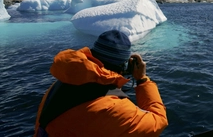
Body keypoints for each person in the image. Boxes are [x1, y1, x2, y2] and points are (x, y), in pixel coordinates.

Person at [34, 30, 168, 137]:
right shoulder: (112, 108)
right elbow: (158, 121)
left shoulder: (63, 82)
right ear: (125, 65)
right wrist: (142, 80)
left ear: (92, 55)